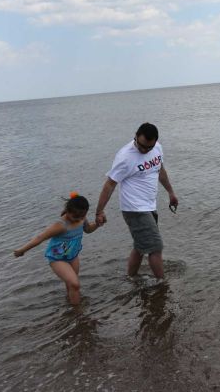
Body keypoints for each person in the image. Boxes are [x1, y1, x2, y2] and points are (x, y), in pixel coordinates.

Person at [95, 122, 178, 279]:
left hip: (149, 205)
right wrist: (99, 211)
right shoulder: (125, 157)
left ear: (155, 142)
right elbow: (109, 185)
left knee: (141, 246)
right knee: (155, 246)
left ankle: (131, 278)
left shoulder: (157, 148)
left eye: (149, 147)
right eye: (141, 146)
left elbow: (160, 170)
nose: (144, 150)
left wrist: (171, 192)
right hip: (134, 209)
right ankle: (163, 286)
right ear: (135, 136)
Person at [14, 192, 100, 305]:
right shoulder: (61, 225)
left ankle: (70, 306)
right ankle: (78, 313)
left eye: (82, 216)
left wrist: (98, 224)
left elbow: (88, 229)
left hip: (72, 255)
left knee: (71, 285)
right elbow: (40, 238)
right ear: (68, 211)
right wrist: (22, 250)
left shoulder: (81, 219)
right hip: (57, 257)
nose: (78, 219)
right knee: (75, 284)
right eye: (75, 216)